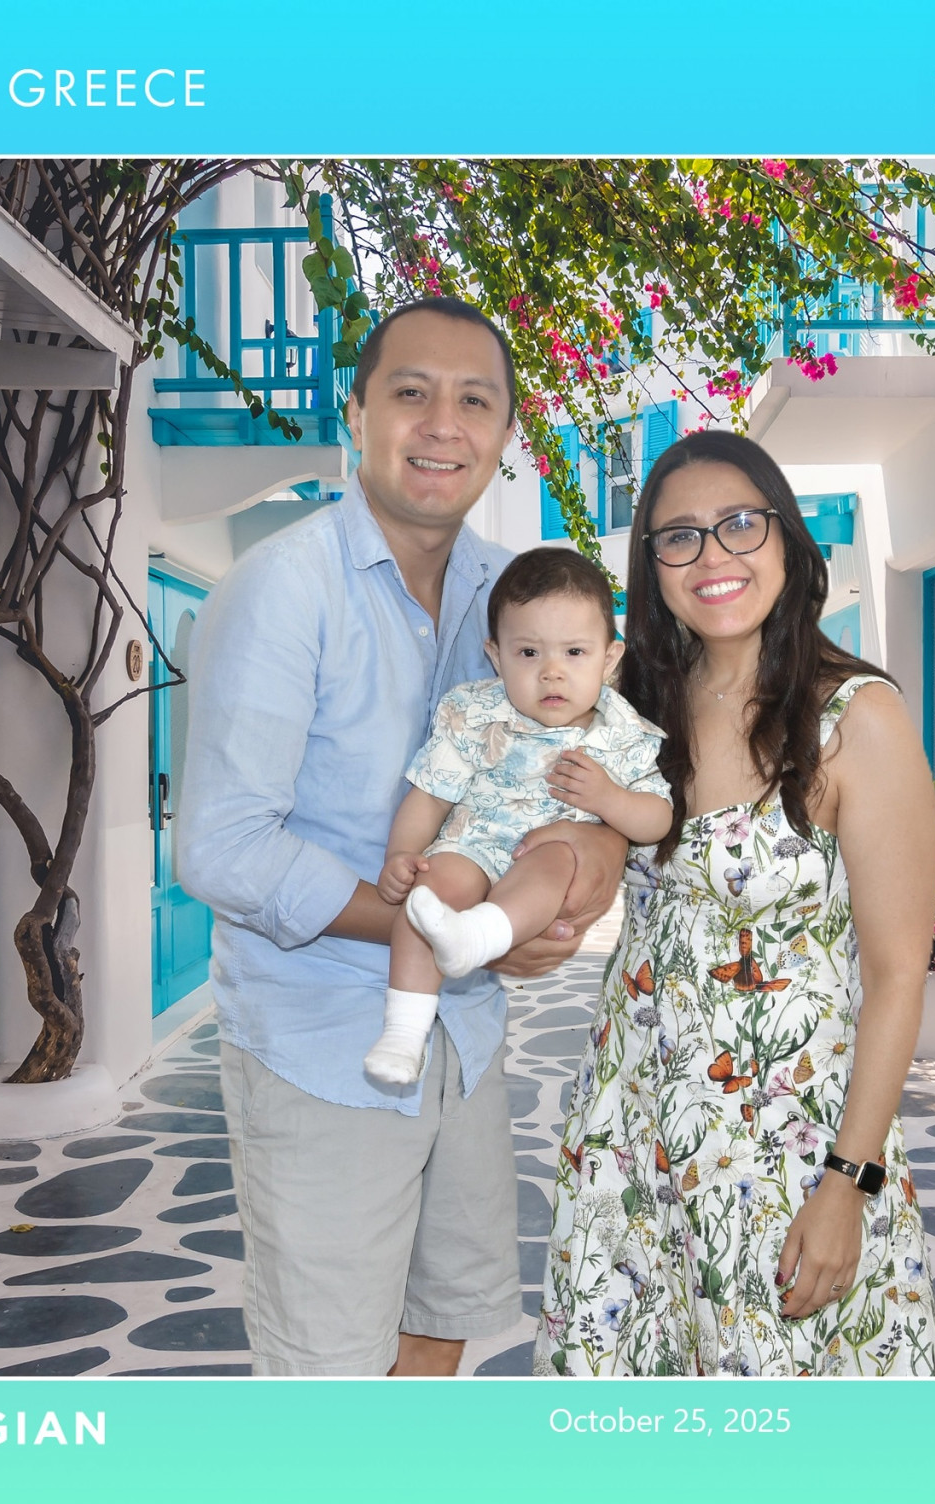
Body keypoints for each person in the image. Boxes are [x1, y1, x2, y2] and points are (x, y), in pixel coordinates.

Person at [175, 297, 628, 1378]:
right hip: (323, 1044)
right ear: (357, 413)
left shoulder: (512, 597)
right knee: (330, 1375)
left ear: (505, 431)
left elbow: (590, 774)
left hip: (461, 1041)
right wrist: (446, 927)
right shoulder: (283, 590)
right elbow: (224, 848)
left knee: (439, 1325)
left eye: (474, 400)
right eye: (411, 393)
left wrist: (567, 893)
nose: (442, 425)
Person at [534, 430, 935, 1377]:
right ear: (652, 567)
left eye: (739, 525)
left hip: (785, 1156)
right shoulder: (635, 708)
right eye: (679, 536)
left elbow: (897, 977)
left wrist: (848, 1183)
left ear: (787, 538)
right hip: (632, 1139)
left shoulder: (857, 718)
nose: (712, 555)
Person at [366, 549, 675, 1083]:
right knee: (426, 898)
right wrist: (402, 855)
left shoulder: (621, 734)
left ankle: (478, 935)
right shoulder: (474, 713)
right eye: (528, 652)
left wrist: (608, 800)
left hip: (543, 856)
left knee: (556, 858)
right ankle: (403, 1033)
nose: (552, 671)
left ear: (609, 658)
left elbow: (658, 818)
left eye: (575, 652)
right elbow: (431, 795)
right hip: (471, 843)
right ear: (496, 655)